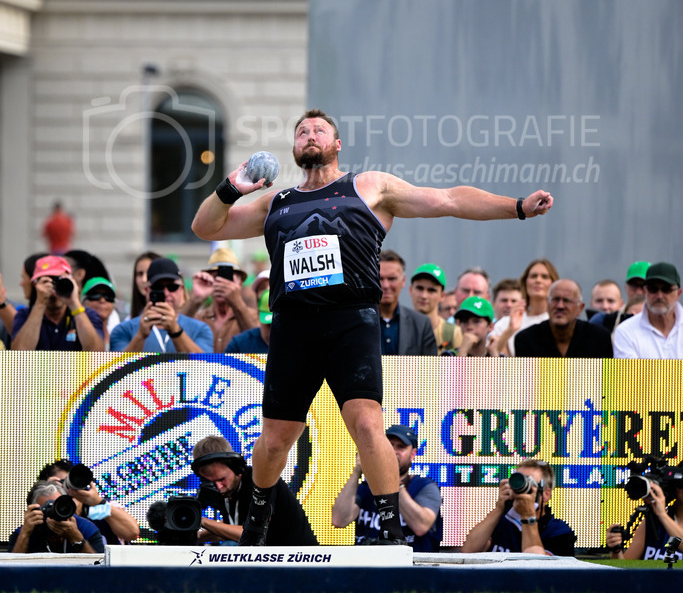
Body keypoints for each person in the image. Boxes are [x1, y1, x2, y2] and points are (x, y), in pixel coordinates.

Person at [191, 108, 553, 546]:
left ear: (336, 144)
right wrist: (232, 188)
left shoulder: (368, 186)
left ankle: (390, 530)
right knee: (273, 441)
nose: (309, 134)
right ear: (294, 146)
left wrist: (515, 208)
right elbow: (204, 226)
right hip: (294, 326)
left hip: (351, 321)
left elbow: (448, 200)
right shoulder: (276, 203)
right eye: (301, 131)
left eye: (319, 130)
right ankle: (257, 524)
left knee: (367, 425)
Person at [331, 425, 442, 551]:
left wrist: (391, 479)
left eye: (400, 447)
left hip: (411, 566)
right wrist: (357, 471)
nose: (393, 451)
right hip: (368, 565)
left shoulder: (425, 487)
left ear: (413, 454)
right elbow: (338, 520)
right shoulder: (367, 487)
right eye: (389, 446)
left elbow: (421, 526)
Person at [191, 435, 318, 546]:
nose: (219, 487)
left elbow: (252, 535)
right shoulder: (228, 490)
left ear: (236, 468)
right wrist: (199, 536)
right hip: (272, 557)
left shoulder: (261, 483)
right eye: (211, 482)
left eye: (222, 479)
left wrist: (202, 521)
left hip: (299, 559)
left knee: (229, 547)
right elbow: (233, 527)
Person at [461, 459, 575, 555]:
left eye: (530, 484)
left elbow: (537, 568)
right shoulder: (502, 521)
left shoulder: (559, 531)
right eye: (518, 481)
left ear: (546, 494)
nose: (521, 488)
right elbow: (469, 552)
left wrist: (527, 516)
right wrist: (499, 508)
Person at [109, 257, 213, 354]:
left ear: (181, 289)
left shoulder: (201, 329)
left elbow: (205, 367)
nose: (166, 293)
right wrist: (140, 336)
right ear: (147, 290)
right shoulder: (124, 330)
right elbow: (117, 370)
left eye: (172, 287)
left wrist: (176, 331)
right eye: (158, 287)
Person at [11, 255, 105, 352]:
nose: (53, 287)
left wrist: (74, 303)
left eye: (58, 280)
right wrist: (40, 303)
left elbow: (96, 353)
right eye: (47, 281)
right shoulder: (24, 315)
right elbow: (20, 354)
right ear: (36, 285)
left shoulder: (88, 315)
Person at [43, 460, 140, 545]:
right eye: (58, 486)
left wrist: (99, 502)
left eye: (69, 484)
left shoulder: (97, 510)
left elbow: (132, 533)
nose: (67, 490)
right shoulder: (43, 512)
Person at [182, 246, 257, 351]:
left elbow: (258, 345)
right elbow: (174, 336)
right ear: (208, 280)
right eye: (216, 277)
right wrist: (195, 300)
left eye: (227, 278)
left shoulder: (254, 317)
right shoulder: (198, 317)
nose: (222, 283)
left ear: (239, 283)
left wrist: (237, 303)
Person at [515, 278, 612, 357]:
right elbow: (526, 380)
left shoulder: (599, 338)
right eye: (555, 299)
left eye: (566, 300)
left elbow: (607, 380)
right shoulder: (526, 339)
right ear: (547, 305)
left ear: (580, 308)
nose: (560, 306)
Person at [8, 480, 105, 554]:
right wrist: (25, 534)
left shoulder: (85, 528)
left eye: (59, 507)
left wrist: (76, 538)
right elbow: (10, 573)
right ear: (34, 510)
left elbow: (100, 571)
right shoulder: (25, 531)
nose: (53, 514)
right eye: (46, 508)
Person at [612, 262, 683, 359]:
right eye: (653, 289)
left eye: (666, 289)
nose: (659, 296)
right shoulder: (625, 331)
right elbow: (629, 374)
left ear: (678, 293)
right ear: (645, 291)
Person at [606, 474, 683, 562]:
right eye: (681, 483)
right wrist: (616, 550)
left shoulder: (661, 517)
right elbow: (623, 569)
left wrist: (662, 514)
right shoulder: (652, 523)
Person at [377, 250, 438, 355]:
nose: (386, 285)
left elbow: (429, 369)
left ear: (403, 281)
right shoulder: (359, 322)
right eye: (380, 278)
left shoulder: (421, 325)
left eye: (392, 279)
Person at [506, 258, 559, 354]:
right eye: (533, 276)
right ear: (525, 282)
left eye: (545, 277)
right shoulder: (506, 322)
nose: (538, 280)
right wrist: (509, 330)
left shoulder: (560, 323)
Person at [409, 262, 461, 354]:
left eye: (431, 290)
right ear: (410, 290)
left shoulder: (453, 334)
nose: (424, 296)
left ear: (442, 296)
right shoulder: (398, 328)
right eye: (419, 288)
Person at [225, 289, 272, 354]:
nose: (273, 330)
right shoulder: (239, 344)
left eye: (278, 325)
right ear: (258, 314)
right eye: (269, 325)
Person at [82, 276, 121, 350]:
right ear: (83, 301)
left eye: (108, 297)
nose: (102, 300)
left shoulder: (119, 333)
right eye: (95, 295)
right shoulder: (73, 330)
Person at [128, 249, 162, 320]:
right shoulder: (128, 322)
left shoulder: (177, 317)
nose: (144, 280)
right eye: (140, 274)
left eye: (149, 273)